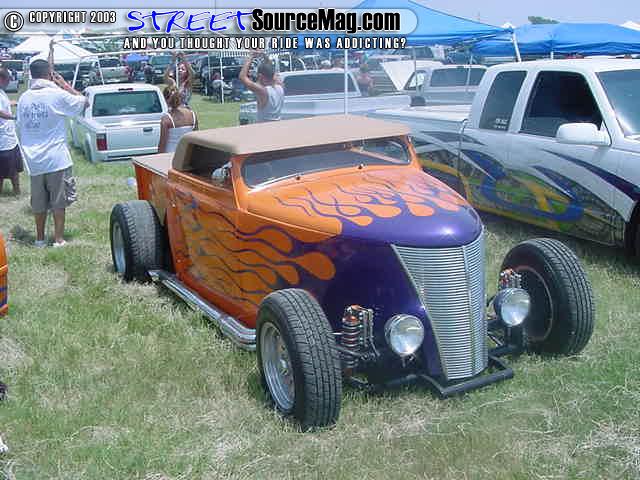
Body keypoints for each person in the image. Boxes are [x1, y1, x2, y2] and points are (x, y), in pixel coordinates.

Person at [16, 59, 87, 248]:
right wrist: (64, 85)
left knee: (38, 203)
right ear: (49, 74)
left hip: (34, 160)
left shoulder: (24, 98)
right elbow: (84, 102)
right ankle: (58, 239)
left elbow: (20, 125)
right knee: (58, 202)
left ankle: (39, 239)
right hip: (56, 158)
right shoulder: (57, 94)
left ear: (31, 75)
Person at [239, 51, 284, 123]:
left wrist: (250, 56)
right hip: (278, 124)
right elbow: (271, 70)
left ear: (260, 76)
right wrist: (265, 56)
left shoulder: (263, 91)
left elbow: (242, 77)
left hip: (265, 127)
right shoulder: (280, 87)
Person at [0, 68, 22, 196]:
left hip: (10, 138)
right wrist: (14, 117)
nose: (8, 83)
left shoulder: (2, 91)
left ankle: (17, 192)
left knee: (14, 169)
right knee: (2, 171)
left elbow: (5, 104)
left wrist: (17, 102)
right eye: (7, 80)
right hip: (3, 139)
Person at [158, 85, 197, 154]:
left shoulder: (166, 119)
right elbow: (196, 139)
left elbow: (162, 145)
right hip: (188, 155)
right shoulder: (192, 114)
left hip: (171, 155)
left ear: (166, 100)